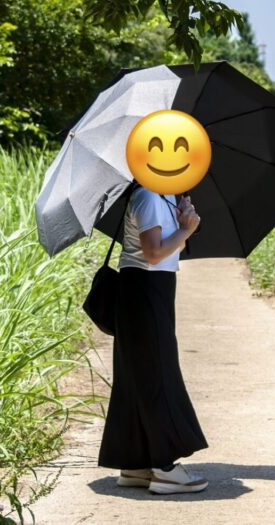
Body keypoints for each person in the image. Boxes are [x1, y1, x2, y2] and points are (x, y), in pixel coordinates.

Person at [96, 182, 210, 494]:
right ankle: (164, 467)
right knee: (159, 375)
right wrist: (186, 230)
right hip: (145, 288)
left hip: (149, 288)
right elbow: (154, 252)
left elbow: (161, 249)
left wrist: (183, 221)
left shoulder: (162, 196)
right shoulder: (148, 196)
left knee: (139, 377)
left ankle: (135, 464)